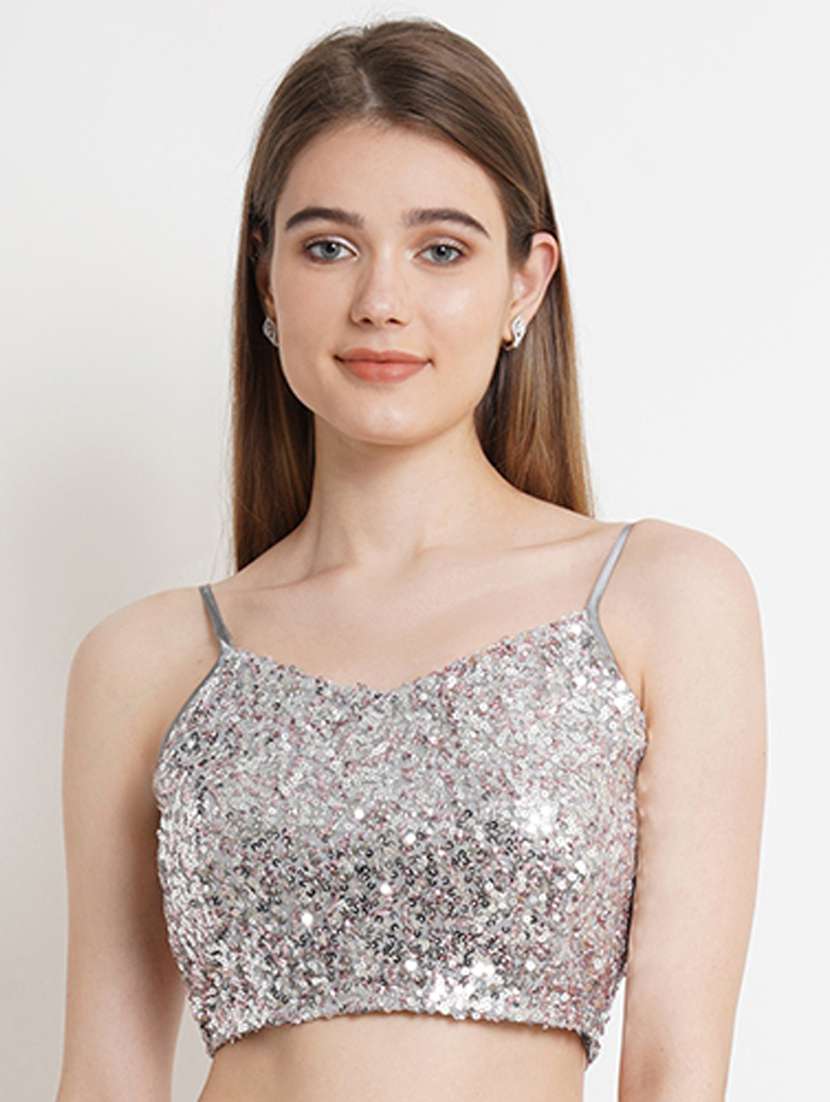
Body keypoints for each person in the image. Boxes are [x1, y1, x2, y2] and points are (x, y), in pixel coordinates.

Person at [56, 16, 767, 1102]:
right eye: (328, 246)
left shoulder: (659, 600)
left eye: (440, 249)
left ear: (524, 283)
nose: (380, 301)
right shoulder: (145, 660)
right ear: (264, 279)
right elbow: (104, 1078)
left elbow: (677, 1071)